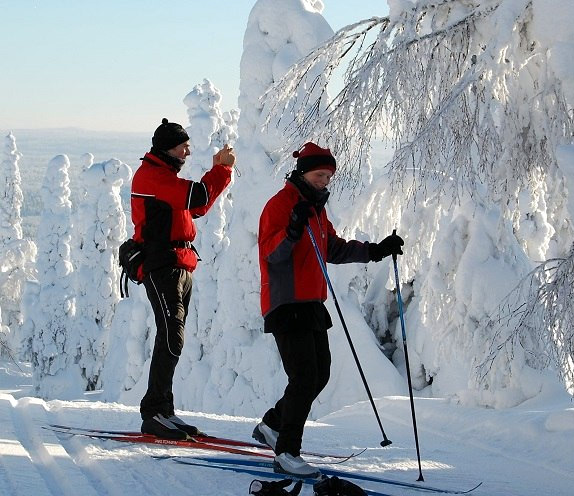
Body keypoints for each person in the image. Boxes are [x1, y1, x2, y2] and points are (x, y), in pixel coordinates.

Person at [254, 142, 404, 477]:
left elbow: (331, 248)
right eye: (320, 174)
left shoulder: (315, 209)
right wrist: (292, 230)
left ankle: (273, 425)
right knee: (304, 376)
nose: (325, 181)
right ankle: (286, 453)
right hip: (285, 302)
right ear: (304, 171)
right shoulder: (281, 205)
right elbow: (271, 253)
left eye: (328, 176)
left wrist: (375, 251)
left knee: (319, 375)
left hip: (311, 303)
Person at [131, 118, 235, 440]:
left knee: (171, 336)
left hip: (179, 264)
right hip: (162, 266)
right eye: (183, 145)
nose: (188, 151)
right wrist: (223, 170)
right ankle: (153, 413)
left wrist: (217, 175)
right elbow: (199, 196)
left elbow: (195, 209)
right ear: (167, 147)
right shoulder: (152, 177)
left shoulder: (164, 177)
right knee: (171, 336)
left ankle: (164, 409)